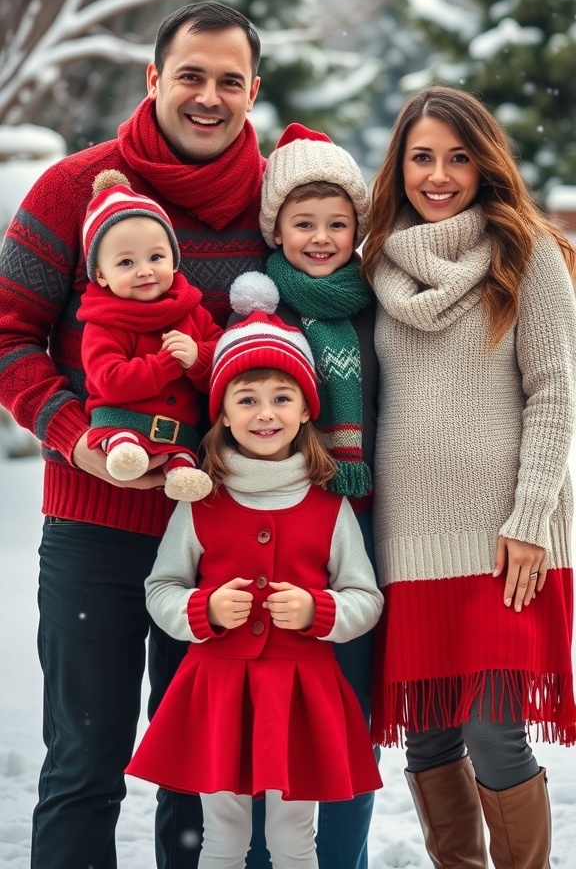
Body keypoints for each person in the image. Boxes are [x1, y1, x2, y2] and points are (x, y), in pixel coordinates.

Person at [0, 1, 269, 869]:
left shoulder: (276, 206)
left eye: (230, 80)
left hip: (219, 531)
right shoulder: (73, 188)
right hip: (93, 527)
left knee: (201, 774)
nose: (208, 96)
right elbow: (8, 333)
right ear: (154, 79)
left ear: (253, 92)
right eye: (191, 75)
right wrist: (75, 434)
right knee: (85, 765)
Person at [362, 84, 576, 869]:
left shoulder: (528, 250)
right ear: (401, 164)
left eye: (458, 156)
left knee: (494, 728)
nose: (439, 174)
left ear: (486, 163)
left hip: (504, 538)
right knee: (428, 731)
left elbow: (554, 388)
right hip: (407, 539)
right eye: (422, 157)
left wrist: (529, 519)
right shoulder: (375, 261)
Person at [126, 283, 383, 869]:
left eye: (281, 397)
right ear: (222, 412)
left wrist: (321, 613)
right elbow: (161, 586)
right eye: (246, 399)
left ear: (305, 409)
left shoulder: (328, 505)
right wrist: (203, 611)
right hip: (219, 688)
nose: (265, 413)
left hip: (298, 691)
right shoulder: (200, 501)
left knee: (294, 836)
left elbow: (364, 597)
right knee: (223, 835)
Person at [248, 122, 379, 869]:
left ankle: (344, 858)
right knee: (274, 717)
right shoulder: (262, 315)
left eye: (338, 223)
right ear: (277, 227)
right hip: (277, 531)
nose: (322, 237)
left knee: (348, 721)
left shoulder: (375, 306)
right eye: (304, 223)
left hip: (359, 532)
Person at [78, 169, 222, 501]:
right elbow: (110, 380)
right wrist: (167, 364)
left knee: (183, 460)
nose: (144, 270)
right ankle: (126, 452)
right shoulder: (104, 322)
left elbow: (223, 359)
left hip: (180, 434)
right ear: (101, 275)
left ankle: (182, 471)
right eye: (126, 262)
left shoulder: (189, 311)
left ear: (174, 262)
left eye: (156, 257)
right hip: (121, 424)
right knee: (126, 446)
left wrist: (197, 358)